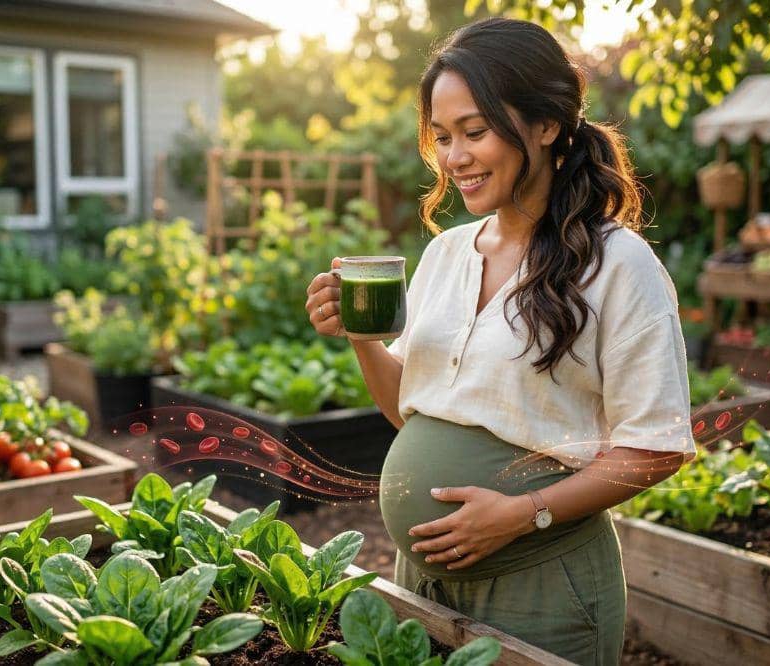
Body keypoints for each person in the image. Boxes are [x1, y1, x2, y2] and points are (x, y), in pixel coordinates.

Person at [305, 17, 695, 666]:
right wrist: (362, 339)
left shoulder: (618, 265)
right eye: (442, 136)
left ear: (545, 126)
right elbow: (412, 412)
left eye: (475, 132)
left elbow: (655, 446)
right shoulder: (447, 254)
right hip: (422, 581)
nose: (453, 157)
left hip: (541, 585)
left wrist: (524, 513)